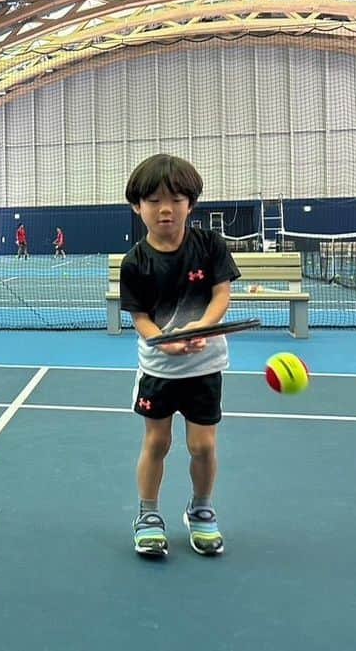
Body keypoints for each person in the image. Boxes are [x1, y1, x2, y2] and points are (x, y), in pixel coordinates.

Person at [120, 154, 239, 558]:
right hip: (159, 368)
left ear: (191, 203)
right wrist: (163, 342)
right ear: (137, 206)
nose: (165, 208)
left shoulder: (209, 245)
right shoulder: (136, 261)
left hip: (204, 366)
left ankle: (201, 510)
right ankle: (148, 515)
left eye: (175, 199)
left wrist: (200, 327)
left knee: (203, 447)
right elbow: (140, 317)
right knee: (157, 442)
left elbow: (222, 293)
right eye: (153, 200)